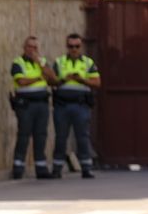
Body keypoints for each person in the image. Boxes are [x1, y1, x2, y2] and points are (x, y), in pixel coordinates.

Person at [52, 33, 100, 179]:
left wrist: (82, 80)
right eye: (71, 46)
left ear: (81, 46)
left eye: (77, 46)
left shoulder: (88, 63)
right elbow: (51, 81)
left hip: (81, 105)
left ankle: (86, 167)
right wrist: (63, 80)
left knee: (82, 137)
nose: (74, 49)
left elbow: (97, 83)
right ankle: (57, 168)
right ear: (67, 46)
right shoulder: (59, 62)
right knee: (61, 137)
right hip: (62, 105)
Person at [9, 36, 57, 179]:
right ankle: (18, 168)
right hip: (26, 105)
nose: (32, 50)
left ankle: (41, 168)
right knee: (24, 135)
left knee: (41, 135)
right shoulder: (18, 63)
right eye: (30, 47)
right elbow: (21, 81)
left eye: (35, 47)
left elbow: (53, 79)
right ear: (24, 48)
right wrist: (39, 78)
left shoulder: (41, 62)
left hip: (42, 104)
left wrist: (41, 65)